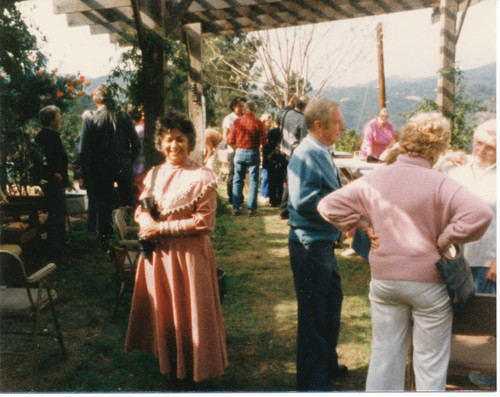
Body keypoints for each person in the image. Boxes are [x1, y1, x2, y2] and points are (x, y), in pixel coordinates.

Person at [317, 112, 494, 392]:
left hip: (385, 280)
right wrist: (446, 236)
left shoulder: (376, 178)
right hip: (429, 284)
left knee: (384, 355)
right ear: (438, 149)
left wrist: (364, 225)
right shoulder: (441, 183)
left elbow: (328, 206)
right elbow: (481, 213)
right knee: (429, 362)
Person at [124, 111, 227, 387]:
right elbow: (142, 207)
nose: (174, 146)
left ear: (190, 142)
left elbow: (204, 223)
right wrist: (145, 220)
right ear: (160, 142)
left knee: (190, 311)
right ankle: (171, 364)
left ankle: (193, 370)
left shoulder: (202, 175)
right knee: (167, 313)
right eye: (168, 140)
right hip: (158, 257)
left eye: (180, 139)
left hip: (189, 257)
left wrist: (161, 229)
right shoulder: (154, 173)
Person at [287, 98, 347, 391]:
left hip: (323, 242)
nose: (343, 127)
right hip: (310, 245)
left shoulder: (321, 151)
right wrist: (344, 209)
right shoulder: (307, 153)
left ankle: (327, 364)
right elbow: (303, 200)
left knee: (331, 304)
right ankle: (313, 382)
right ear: (319, 125)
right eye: (338, 122)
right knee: (313, 314)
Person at [449, 120, 497, 387]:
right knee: (455, 318)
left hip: (488, 259)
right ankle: (453, 372)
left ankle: (486, 382)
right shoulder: (457, 171)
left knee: (486, 324)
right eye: (478, 142)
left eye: (489, 146)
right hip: (455, 258)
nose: (481, 149)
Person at [73, 85, 140, 249]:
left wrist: (80, 170)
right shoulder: (123, 116)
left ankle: (106, 241)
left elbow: (82, 148)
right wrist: (128, 160)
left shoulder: (91, 119)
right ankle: (138, 235)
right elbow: (136, 143)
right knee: (129, 202)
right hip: (122, 165)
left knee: (104, 205)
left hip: (100, 168)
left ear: (96, 100)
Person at [34, 105, 69, 255]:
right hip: (52, 180)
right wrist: (55, 173)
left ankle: (59, 241)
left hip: (56, 180)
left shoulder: (52, 134)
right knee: (56, 212)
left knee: (59, 212)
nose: (60, 118)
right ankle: (55, 245)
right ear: (52, 119)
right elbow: (47, 158)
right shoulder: (46, 136)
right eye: (58, 115)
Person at [227, 101, 267, 216]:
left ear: (245, 109)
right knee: (253, 180)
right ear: (254, 110)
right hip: (253, 152)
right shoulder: (258, 123)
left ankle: (236, 207)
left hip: (239, 152)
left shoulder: (237, 121)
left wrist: (237, 148)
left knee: (238, 179)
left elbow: (230, 140)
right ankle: (251, 208)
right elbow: (263, 142)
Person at [278, 94, 309, 219]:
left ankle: (284, 209)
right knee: (294, 182)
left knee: (289, 180)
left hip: (284, 150)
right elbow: (304, 141)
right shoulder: (302, 119)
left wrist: (288, 103)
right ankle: (286, 209)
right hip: (295, 153)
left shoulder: (286, 114)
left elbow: (279, 114)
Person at [222, 97, 246, 205]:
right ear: (234, 107)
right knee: (233, 174)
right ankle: (232, 197)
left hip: (243, 150)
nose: (242, 108)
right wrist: (234, 147)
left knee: (241, 175)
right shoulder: (229, 119)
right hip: (232, 150)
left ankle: (239, 196)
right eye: (239, 106)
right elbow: (225, 136)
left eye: (243, 106)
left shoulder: (244, 118)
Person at [262, 116, 287, 207]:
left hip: (271, 159)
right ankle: (281, 198)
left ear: (275, 123)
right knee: (281, 180)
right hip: (281, 158)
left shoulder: (271, 132)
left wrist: (266, 159)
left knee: (272, 180)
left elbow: (266, 146)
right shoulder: (285, 133)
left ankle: (273, 200)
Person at [127, 104, 146, 203]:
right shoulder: (142, 128)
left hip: (137, 167)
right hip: (142, 166)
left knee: (139, 194)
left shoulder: (137, 131)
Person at [258, 112, 273, 204]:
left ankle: (267, 194)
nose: (270, 124)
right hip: (261, 157)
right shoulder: (261, 132)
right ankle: (262, 194)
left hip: (268, 157)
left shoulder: (270, 132)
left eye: (271, 122)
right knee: (265, 176)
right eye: (268, 122)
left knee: (268, 175)